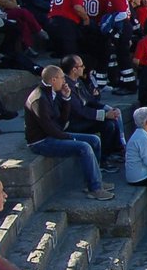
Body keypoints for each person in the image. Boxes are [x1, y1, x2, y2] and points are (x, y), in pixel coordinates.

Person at [24, 65, 114, 200]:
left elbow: (61, 121)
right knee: (84, 147)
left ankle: (94, 180)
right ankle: (94, 189)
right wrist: (68, 138)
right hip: (41, 141)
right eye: (61, 78)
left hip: (53, 134)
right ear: (53, 80)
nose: (64, 82)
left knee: (94, 140)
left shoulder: (52, 92)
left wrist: (66, 99)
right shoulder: (40, 98)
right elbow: (49, 128)